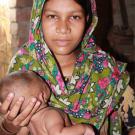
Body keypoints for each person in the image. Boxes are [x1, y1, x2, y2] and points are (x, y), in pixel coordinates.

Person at [0, 0, 135, 134]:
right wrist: (9, 127)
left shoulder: (106, 69)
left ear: (87, 20)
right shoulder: (23, 65)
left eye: (74, 17)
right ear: (38, 18)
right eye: (52, 16)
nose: (63, 28)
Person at [0, 71, 95, 135]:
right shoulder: (51, 114)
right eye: (42, 81)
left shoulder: (28, 123)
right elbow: (58, 133)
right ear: (42, 95)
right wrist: (83, 128)